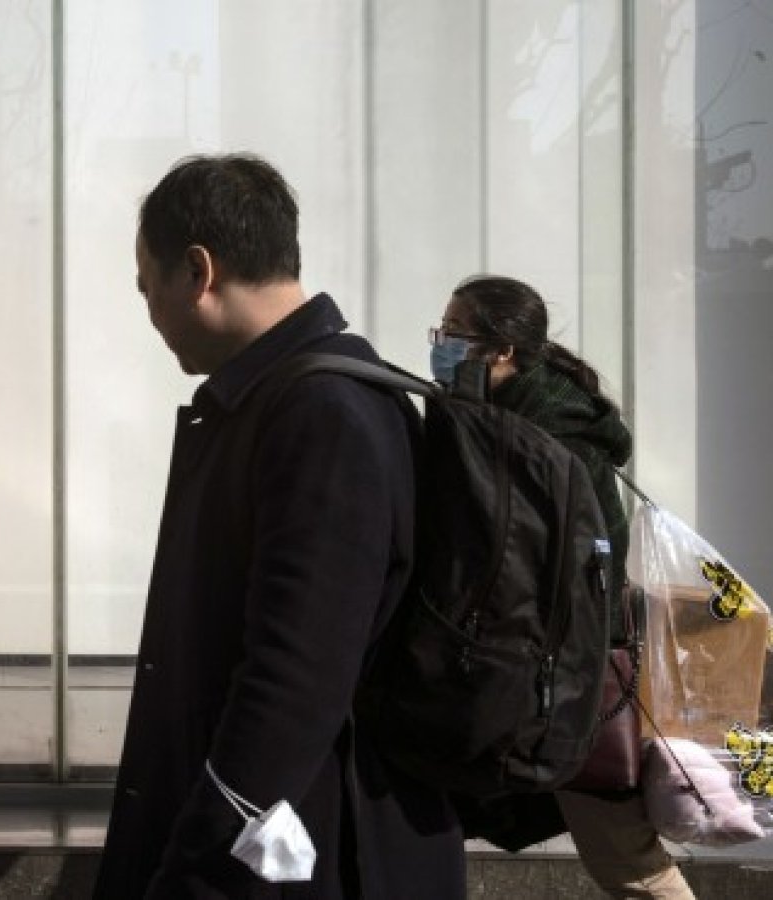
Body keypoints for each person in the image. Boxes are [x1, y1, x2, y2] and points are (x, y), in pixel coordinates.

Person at [95, 153, 465, 899]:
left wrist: (196, 873)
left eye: (146, 285)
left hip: (315, 861)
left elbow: (292, 684)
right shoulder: (297, 401)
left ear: (198, 271)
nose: (150, 312)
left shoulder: (319, 416)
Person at [434, 274, 696, 900]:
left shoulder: (549, 439)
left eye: (455, 332)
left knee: (629, 863)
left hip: (566, 680)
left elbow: (557, 564)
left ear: (501, 350)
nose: (441, 345)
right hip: (530, 671)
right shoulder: (513, 420)